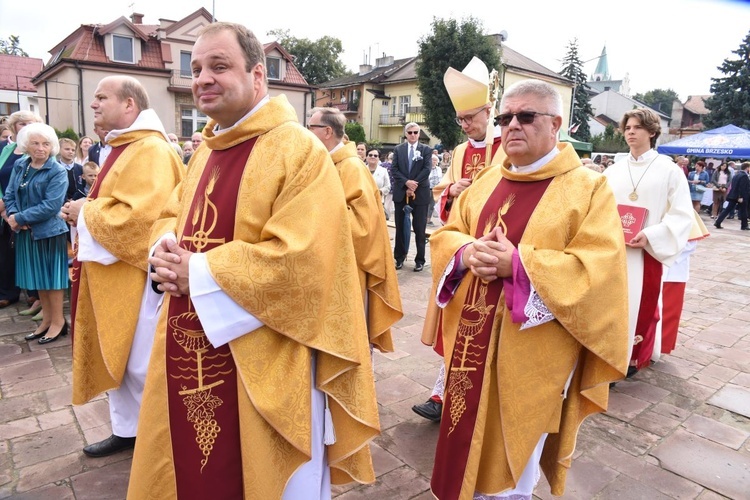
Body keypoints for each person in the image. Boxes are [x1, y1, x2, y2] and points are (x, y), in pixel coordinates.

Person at [128, 23, 380, 499]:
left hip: (269, 351)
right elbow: (174, 212)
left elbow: (303, 262)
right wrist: (163, 243)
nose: (202, 77)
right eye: (197, 67)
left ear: (258, 75)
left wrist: (198, 271)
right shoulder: (206, 150)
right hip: (190, 335)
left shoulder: (297, 149)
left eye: (219, 66)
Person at [429, 79, 628, 499]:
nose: (511, 126)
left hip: (533, 351)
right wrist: (465, 252)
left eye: (525, 116)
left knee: (511, 457)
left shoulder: (587, 188)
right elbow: (446, 235)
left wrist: (517, 264)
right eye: (504, 118)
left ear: (556, 123)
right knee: (461, 433)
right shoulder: (484, 182)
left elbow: (598, 270)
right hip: (471, 341)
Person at [60, 75, 184, 458]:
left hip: (136, 279)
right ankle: (127, 430)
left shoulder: (150, 150)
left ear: (129, 105)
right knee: (120, 357)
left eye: (102, 97)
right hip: (112, 275)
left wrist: (86, 212)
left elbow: (140, 220)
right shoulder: (122, 146)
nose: (93, 104)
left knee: (140, 362)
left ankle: (160, 440)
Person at [414, 57, 506, 423]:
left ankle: (475, 397)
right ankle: (441, 394)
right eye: (460, 120)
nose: (465, 125)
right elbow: (443, 194)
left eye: (470, 117)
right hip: (460, 251)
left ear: (489, 110)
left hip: (493, 254)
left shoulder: (508, 147)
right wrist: (454, 188)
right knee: (453, 325)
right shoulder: (460, 152)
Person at [602, 108, 694, 377]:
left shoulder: (669, 171)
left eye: (637, 127)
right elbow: (598, 207)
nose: (630, 132)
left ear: (652, 132)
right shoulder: (614, 170)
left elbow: (681, 214)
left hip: (645, 253)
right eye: (628, 127)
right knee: (610, 303)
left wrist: (652, 236)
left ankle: (631, 356)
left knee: (639, 302)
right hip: (613, 249)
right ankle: (607, 353)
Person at [307, 107, 402, 353]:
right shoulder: (328, 163)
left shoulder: (351, 167)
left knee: (352, 336)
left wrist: (314, 205)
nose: (306, 133)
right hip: (331, 263)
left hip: (351, 267)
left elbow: (363, 227)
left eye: (311, 128)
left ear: (327, 132)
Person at [2, 123, 69, 343]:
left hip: (49, 233)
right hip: (25, 233)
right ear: (26, 146)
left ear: (52, 146)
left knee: (52, 280)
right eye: (35, 143)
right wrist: (14, 215)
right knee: (38, 279)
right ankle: (46, 321)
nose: (41, 148)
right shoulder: (21, 165)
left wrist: (19, 218)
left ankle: (58, 323)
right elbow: (10, 194)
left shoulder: (57, 170)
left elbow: (51, 206)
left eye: (46, 144)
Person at [0, 110, 43, 311]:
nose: (26, 126)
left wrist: (13, 209)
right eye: (22, 123)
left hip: (27, 208)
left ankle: (35, 294)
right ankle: (9, 292)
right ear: (14, 126)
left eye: (31, 123)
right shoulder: (6, 150)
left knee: (30, 250)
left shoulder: (38, 150)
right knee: (6, 251)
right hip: (4, 207)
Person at [391, 122, 432, 272]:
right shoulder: (398, 149)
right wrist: (406, 183)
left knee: (420, 228)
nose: (413, 135)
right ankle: (399, 258)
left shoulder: (426, 150)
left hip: (420, 193)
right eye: (410, 133)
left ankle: (420, 259)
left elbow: (427, 169)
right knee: (400, 227)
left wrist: (414, 184)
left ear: (419, 134)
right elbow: (394, 169)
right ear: (405, 134)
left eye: (415, 132)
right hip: (401, 193)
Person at [714, 161, 750, 230]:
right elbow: (741, 187)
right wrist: (740, 196)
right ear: (747, 168)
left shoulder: (737, 174)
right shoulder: (744, 176)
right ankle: (744, 225)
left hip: (733, 195)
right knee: (743, 210)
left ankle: (718, 222)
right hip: (740, 196)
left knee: (728, 209)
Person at [427, 155, 442, 226]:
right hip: (427, 188)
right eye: (433, 160)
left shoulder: (439, 169)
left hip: (435, 189)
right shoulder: (427, 168)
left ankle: (428, 219)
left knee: (432, 205)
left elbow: (440, 178)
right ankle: (424, 219)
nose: (434, 161)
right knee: (426, 204)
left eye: (435, 160)